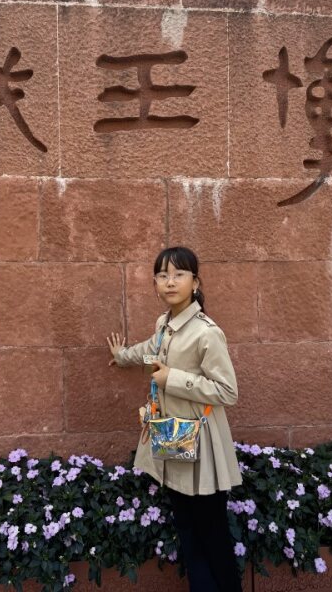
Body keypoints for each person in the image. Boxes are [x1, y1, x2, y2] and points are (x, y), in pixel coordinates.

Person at [106, 246, 243, 592]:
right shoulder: (164, 324)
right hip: (174, 441)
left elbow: (228, 391)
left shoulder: (207, 332)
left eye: (179, 274)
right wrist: (122, 356)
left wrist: (174, 379)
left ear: (195, 282)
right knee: (187, 532)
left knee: (212, 536)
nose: (170, 282)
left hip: (203, 450)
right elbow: (150, 348)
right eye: (162, 275)